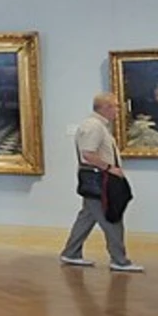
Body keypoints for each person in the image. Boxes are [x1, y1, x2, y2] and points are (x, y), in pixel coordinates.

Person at [60, 92, 144, 273]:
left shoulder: (95, 125)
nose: (118, 110)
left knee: (87, 217)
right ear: (105, 107)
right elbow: (88, 154)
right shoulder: (94, 126)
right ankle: (120, 260)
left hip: (95, 178)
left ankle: (71, 253)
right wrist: (110, 168)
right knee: (112, 217)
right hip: (100, 179)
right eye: (116, 106)